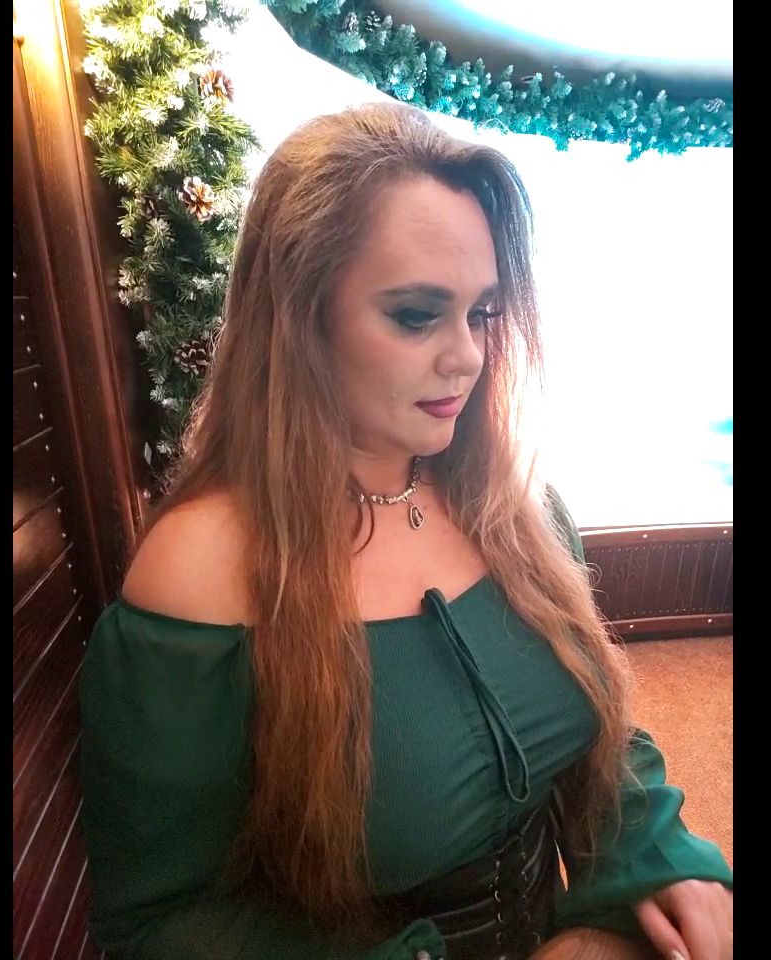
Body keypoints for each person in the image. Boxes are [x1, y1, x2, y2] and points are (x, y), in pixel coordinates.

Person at [80, 102, 733, 960]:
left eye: (482, 312)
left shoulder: (518, 506)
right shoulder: (202, 571)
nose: (468, 356)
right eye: (418, 315)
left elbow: (594, 739)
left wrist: (652, 854)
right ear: (298, 318)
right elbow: (161, 919)